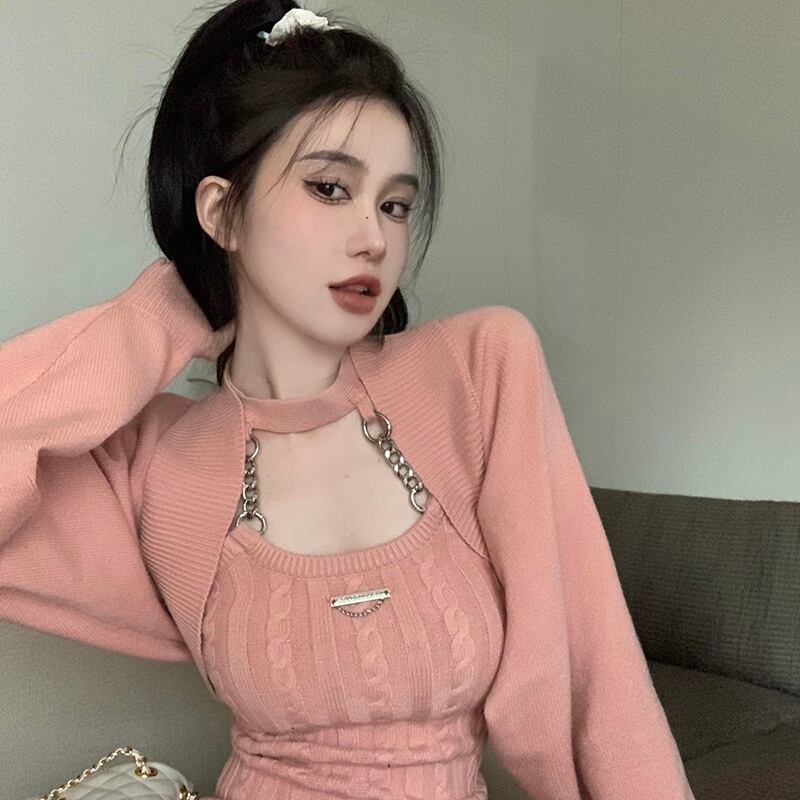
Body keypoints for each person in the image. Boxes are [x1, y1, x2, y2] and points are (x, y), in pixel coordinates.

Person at [0, 2, 696, 798]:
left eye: (394, 204)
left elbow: (601, 683)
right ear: (222, 211)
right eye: (331, 188)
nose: (374, 237)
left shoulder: (476, 370)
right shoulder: (158, 464)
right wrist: (163, 312)